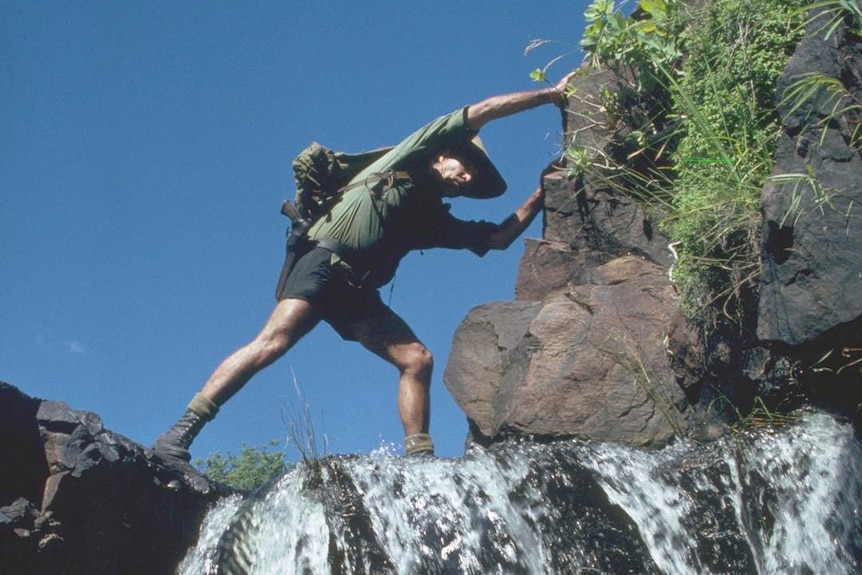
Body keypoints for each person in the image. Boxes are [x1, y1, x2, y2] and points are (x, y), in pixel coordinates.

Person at [152, 72, 575, 461]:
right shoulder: (409, 157)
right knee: (273, 341)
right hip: (323, 261)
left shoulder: (430, 220)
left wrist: (542, 192)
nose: (468, 180)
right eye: (467, 167)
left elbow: (497, 240)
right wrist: (549, 95)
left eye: (474, 179)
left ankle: (420, 460)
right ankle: (180, 434)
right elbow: (481, 111)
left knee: (417, 359)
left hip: (354, 292)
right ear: (442, 155)